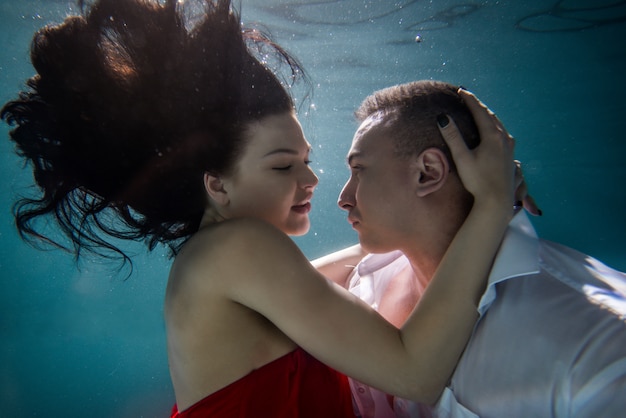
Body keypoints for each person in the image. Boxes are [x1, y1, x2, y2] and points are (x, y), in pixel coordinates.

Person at [1, 1, 518, 417]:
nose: (311, 179)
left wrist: (421, 223)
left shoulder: (219, 255)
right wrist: (490, 204)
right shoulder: (241, 248)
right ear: (217, 184)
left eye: (306, 160)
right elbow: (417, 375)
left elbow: (320, 280)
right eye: (281, 166)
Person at [316, 80, 626, 418]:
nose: (343, 198)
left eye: (359, 170)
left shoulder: (600, 342)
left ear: (428, 172)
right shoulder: (365, 279)